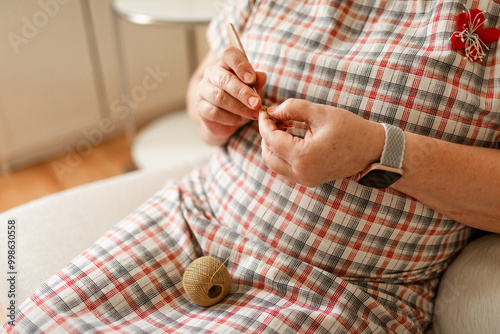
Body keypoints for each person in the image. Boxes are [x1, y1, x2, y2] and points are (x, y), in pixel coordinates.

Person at [3, 0, 500, 333]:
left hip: (340, 292)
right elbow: (205, 93)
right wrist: (211, 102)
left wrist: (376, 151)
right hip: (192, 223)